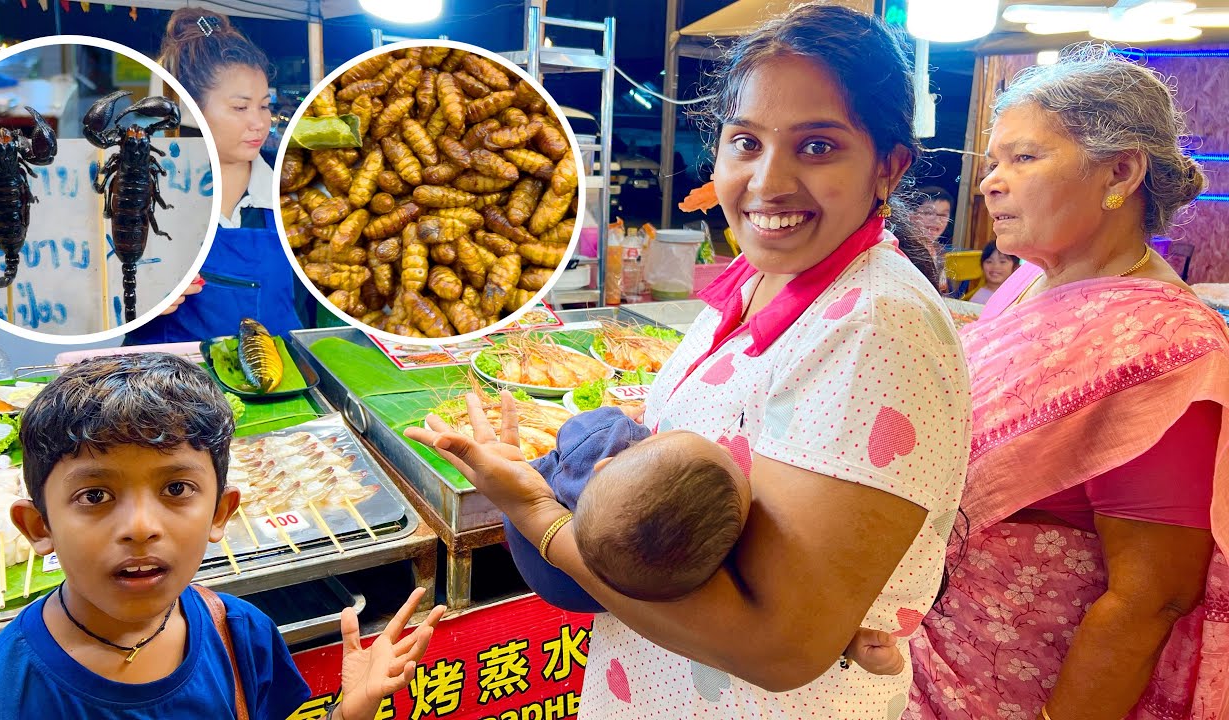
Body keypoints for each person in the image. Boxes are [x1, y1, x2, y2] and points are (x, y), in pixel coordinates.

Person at [408, 5, 971, 717]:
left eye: (818, 146)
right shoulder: (762, 277)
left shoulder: (874, 328)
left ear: (888, 167)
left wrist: (540, 516)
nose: (769, 181)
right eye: (746, 142)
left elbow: (781, 646)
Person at [908, 46, 1229, 720]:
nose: (991, 183)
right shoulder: (1029, 284)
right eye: (994, 163)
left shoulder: (1169, 351)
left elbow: (1151, 598)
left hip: (1023, 687)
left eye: (1024, 159)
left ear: (1121, 170)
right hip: (930, 649)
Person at [0, 354, 446, 719]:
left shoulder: (241, 634)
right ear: (39, 527)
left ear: (219, 513)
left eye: (176, 488)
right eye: (95, 496)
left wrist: (348, 712)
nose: (141, 526)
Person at [495, 403, 906, 675]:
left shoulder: (598, 471)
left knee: (597, 428)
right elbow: (774, 613)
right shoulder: (695, 567)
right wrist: (845, 639)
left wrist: (622, 436)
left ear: (602, 468)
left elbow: (588, 433)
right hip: (580, 577)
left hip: (552, 575)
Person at [127, 8, 303, 344]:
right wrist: (134, 302)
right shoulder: (141, 194)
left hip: (281, 382)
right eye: (240, 108)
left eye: (264, 105)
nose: (259, 122)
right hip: (166, 387)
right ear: (188, 109)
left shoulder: (290, 193)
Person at [910, 186, 954, 294]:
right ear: (911, 215)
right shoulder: (902, 249)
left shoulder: (939, 251)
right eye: (928, 213)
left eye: (943, 215)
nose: (937, 220)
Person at [966, 240, 1019, 304]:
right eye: (989, 261)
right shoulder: (979, 299)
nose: (995, 266)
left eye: (1002, 261)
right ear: (982, 266)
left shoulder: (1019, 295)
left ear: (1016, 267)